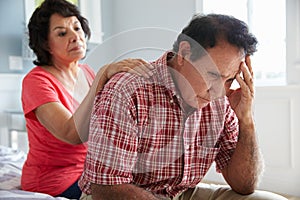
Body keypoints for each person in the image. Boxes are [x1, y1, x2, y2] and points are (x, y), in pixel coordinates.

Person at [79, 14, 287, 200]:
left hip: (181, 192)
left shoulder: (221, 101)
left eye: (229, 79)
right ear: (185, 53)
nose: (218, 92)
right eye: (213, 75)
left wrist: (246, 119)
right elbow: (106, 188)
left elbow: (245, 185)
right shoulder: (127, 89)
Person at [20, 0, 153, 199]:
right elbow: (72, 134)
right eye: (62, 33)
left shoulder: (86, 72)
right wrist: (103, 76)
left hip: (92, 170)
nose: (75, 37)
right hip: (56, 180)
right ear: (45, 43)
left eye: (77, 27)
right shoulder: (36, 81)